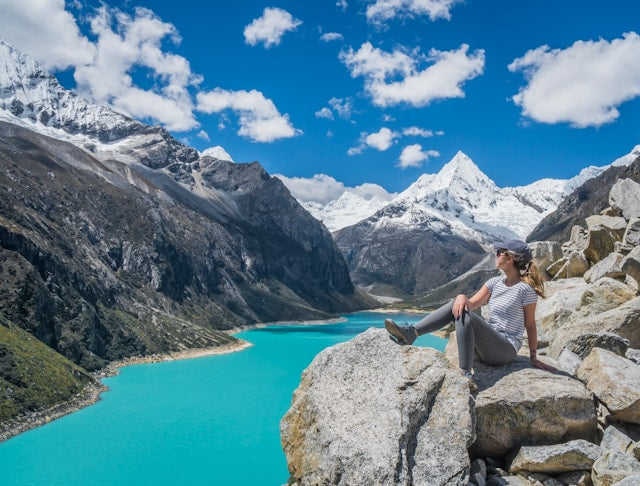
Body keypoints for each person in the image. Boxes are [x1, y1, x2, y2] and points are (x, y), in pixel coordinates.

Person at [384, 239, 550, 379]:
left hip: (505, 350)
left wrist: (533, 357)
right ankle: (412, 333)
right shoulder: (494, 283)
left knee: (465, 314)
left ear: (510, 258)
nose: (496, 254)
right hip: (487, 346)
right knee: (457, 304)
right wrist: (461, 297)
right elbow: (471, 305)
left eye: (500, 251)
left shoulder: (525, 290)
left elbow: (530, 324)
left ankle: (464, 373)